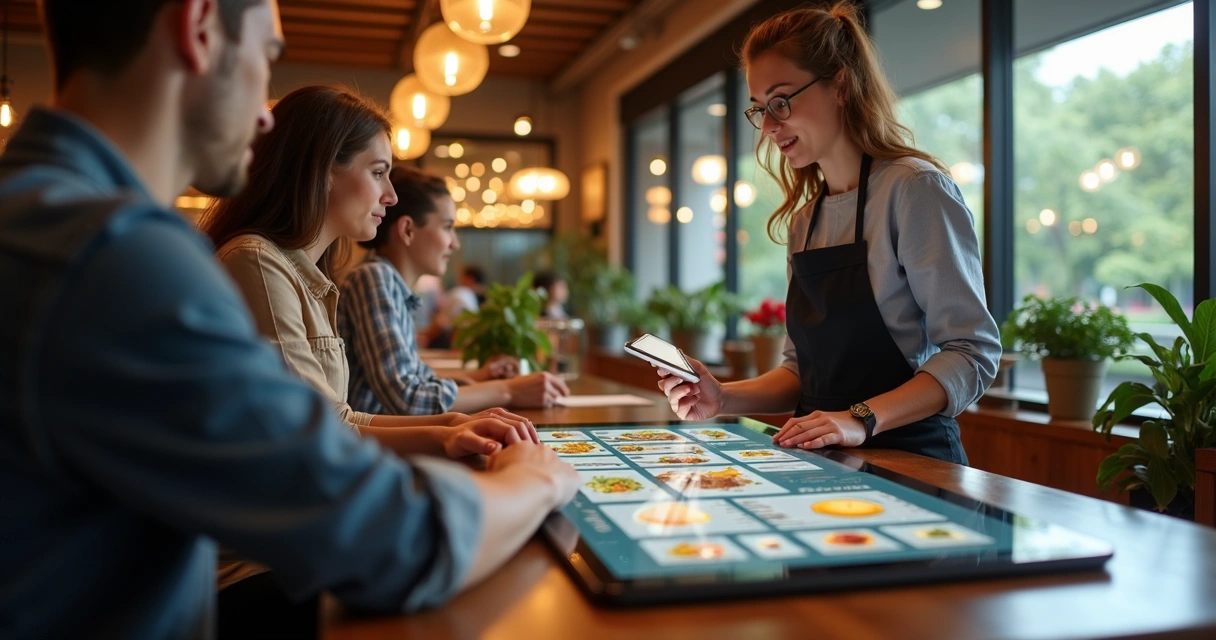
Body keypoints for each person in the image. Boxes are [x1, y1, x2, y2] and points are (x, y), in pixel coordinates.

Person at [0, 2, 577, 638]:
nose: (267, 114)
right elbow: (388, 539)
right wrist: (534, 478)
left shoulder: (53, 218)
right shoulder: (115, 256)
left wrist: (445, 433)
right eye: (268, 56)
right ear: (196, 30)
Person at [655, 2, 1000, 465]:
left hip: (914, 462)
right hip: (824, 462)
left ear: (840, 83)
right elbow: (802, 372)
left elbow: (971, 353)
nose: (770, 127)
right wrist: (722, 397)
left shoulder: (913, 188)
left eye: (781, 101)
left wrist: (859, 418)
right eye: (760, 109)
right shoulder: (805, 220)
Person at [340, 166, 571, 415]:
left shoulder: (387, 282)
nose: (455, 243)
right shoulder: (374, 278)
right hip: (377, 447)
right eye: (447, 227)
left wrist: (475, 379)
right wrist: (508, 390)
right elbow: (407, 399)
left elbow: (414, 380)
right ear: (407, 230)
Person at [421, 264, 485, 348]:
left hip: (449, 345)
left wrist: (424, 336)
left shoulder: (460, 293)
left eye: (462, 277)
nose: (460, 280)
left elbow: (440, 324)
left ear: (469, 279)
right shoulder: (472, 298)